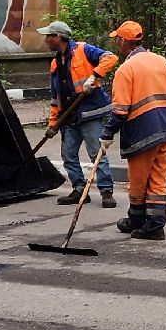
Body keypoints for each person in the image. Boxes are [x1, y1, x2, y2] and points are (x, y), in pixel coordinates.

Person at [104, 20, 166, 240]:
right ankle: (155, 224)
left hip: (141, 132)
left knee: (138, 181)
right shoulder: (161, 61)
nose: (117, 42)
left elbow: (120, 109)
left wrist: (107, 133)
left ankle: (136, 219)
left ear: (124, 41)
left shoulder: (126, 69)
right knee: (157, 179)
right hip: (164, 128)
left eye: (118, 39)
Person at [40, 20, 115, 207]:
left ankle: (106, 191)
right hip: (68, 116)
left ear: (58, 37)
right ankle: (79, 189)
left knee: (96, 153)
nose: (46, 40)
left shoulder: (83, 50)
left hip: (90, 113)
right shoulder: (55, 63)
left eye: (48, 36)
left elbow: (110, 58)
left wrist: (95, 75)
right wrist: (52, 125)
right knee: (69, 154)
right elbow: (55, 97)